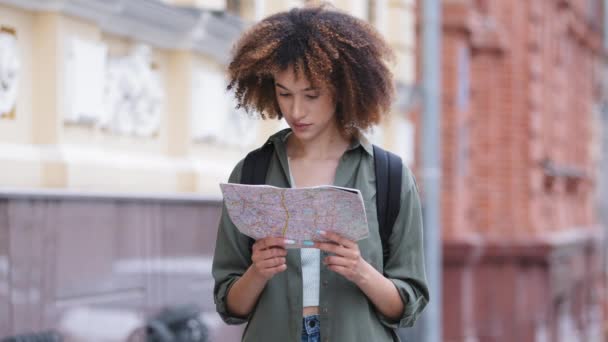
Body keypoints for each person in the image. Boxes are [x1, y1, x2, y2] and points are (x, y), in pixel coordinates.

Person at [212, 5, 428, 342]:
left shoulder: (390, 176)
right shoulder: (251, 171)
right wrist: (258, 272)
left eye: (311, 95)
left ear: (343, 89)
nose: (296, 111)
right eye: (284, 94)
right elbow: (230, 306)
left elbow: (407, 307)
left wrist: (359, 270)